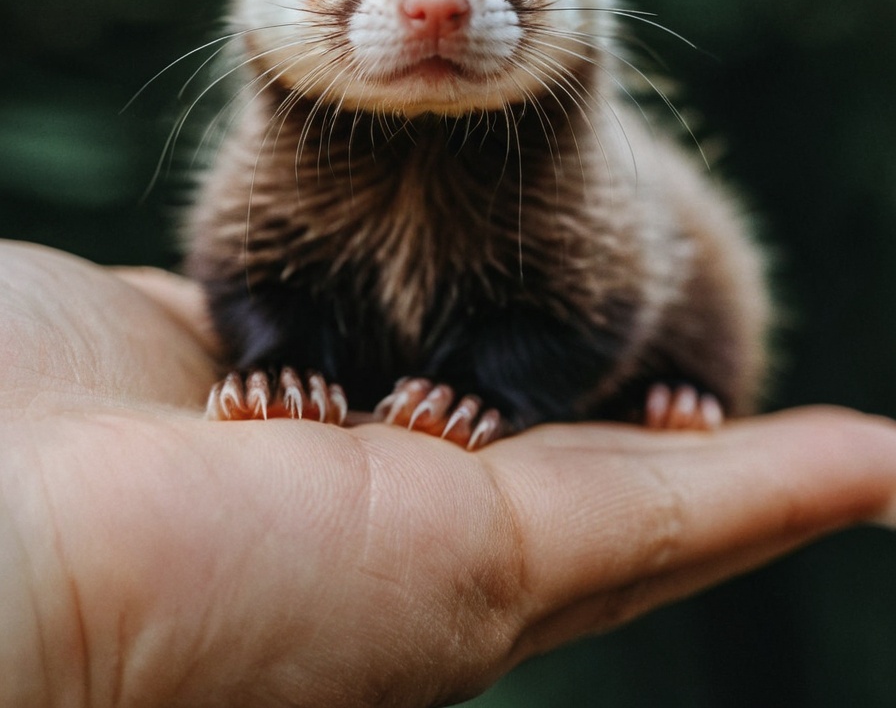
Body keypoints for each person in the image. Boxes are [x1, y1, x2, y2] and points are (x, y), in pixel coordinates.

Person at [2, 239, 894, 707]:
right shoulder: (268, 184)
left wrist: (491, 388)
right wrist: (279, 357)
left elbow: (601, 304)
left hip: (641, 346)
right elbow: (240, 278)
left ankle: (682, 391)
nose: (436, 0)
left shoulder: (571, 168)